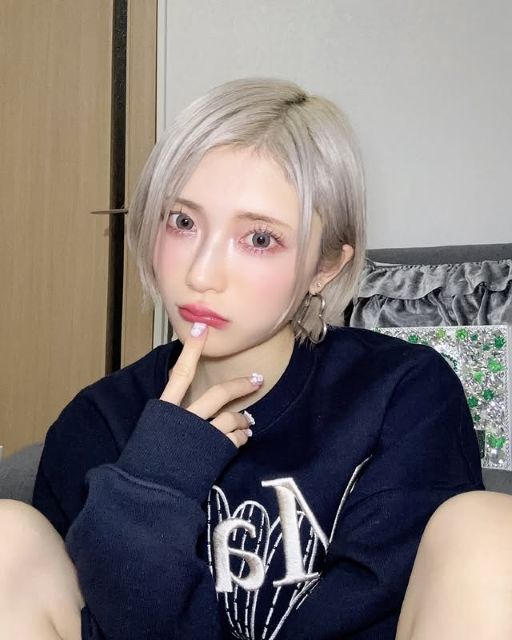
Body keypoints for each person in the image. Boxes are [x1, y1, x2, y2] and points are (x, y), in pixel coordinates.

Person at [0, 77, 509, 640]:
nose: (201, 273)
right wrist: (149, 488)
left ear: (325, 267)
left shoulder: (402, 394)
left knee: (486, 527)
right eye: (182, 221)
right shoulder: (97, 422)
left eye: (259, 239)